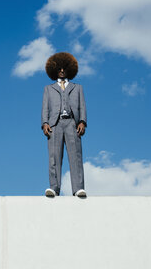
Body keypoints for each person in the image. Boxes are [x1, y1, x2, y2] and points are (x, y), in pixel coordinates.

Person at [41, 52, 87, 197]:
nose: (61, 70)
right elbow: (45, 107)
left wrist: (82, 122)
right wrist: (45, 123)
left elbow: (82, 106)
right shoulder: (48, 89)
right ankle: (54, 188)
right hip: (55, 124)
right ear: (54, 69)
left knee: (76, 156)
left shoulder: (77, 87)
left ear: (69, 69)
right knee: (54, 156)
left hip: (72, 123)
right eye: (59, 68)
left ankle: (78, 188)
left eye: (64, 68)